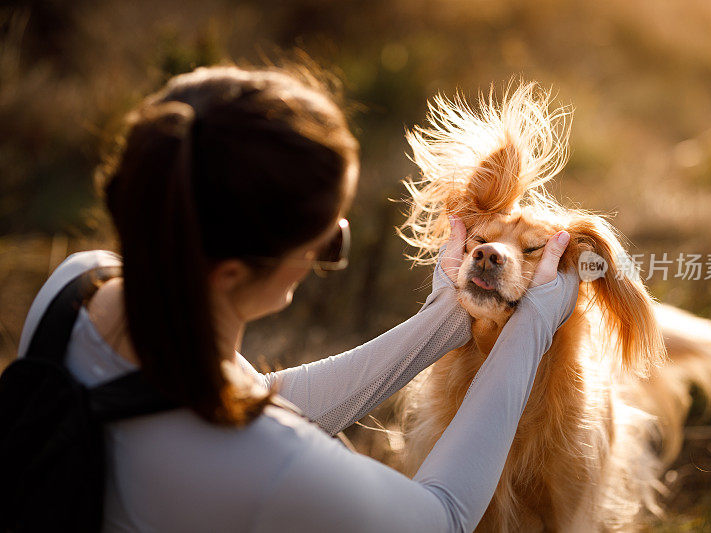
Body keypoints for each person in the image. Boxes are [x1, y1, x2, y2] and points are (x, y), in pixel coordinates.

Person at [17, 65, 578, 532]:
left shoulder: (75, 287)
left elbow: (254, 396)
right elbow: (444, 516)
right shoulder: (271, 464)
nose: (331, 243)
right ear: (234, 273)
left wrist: (444, 318)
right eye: (324, 240)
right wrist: (534, 321)